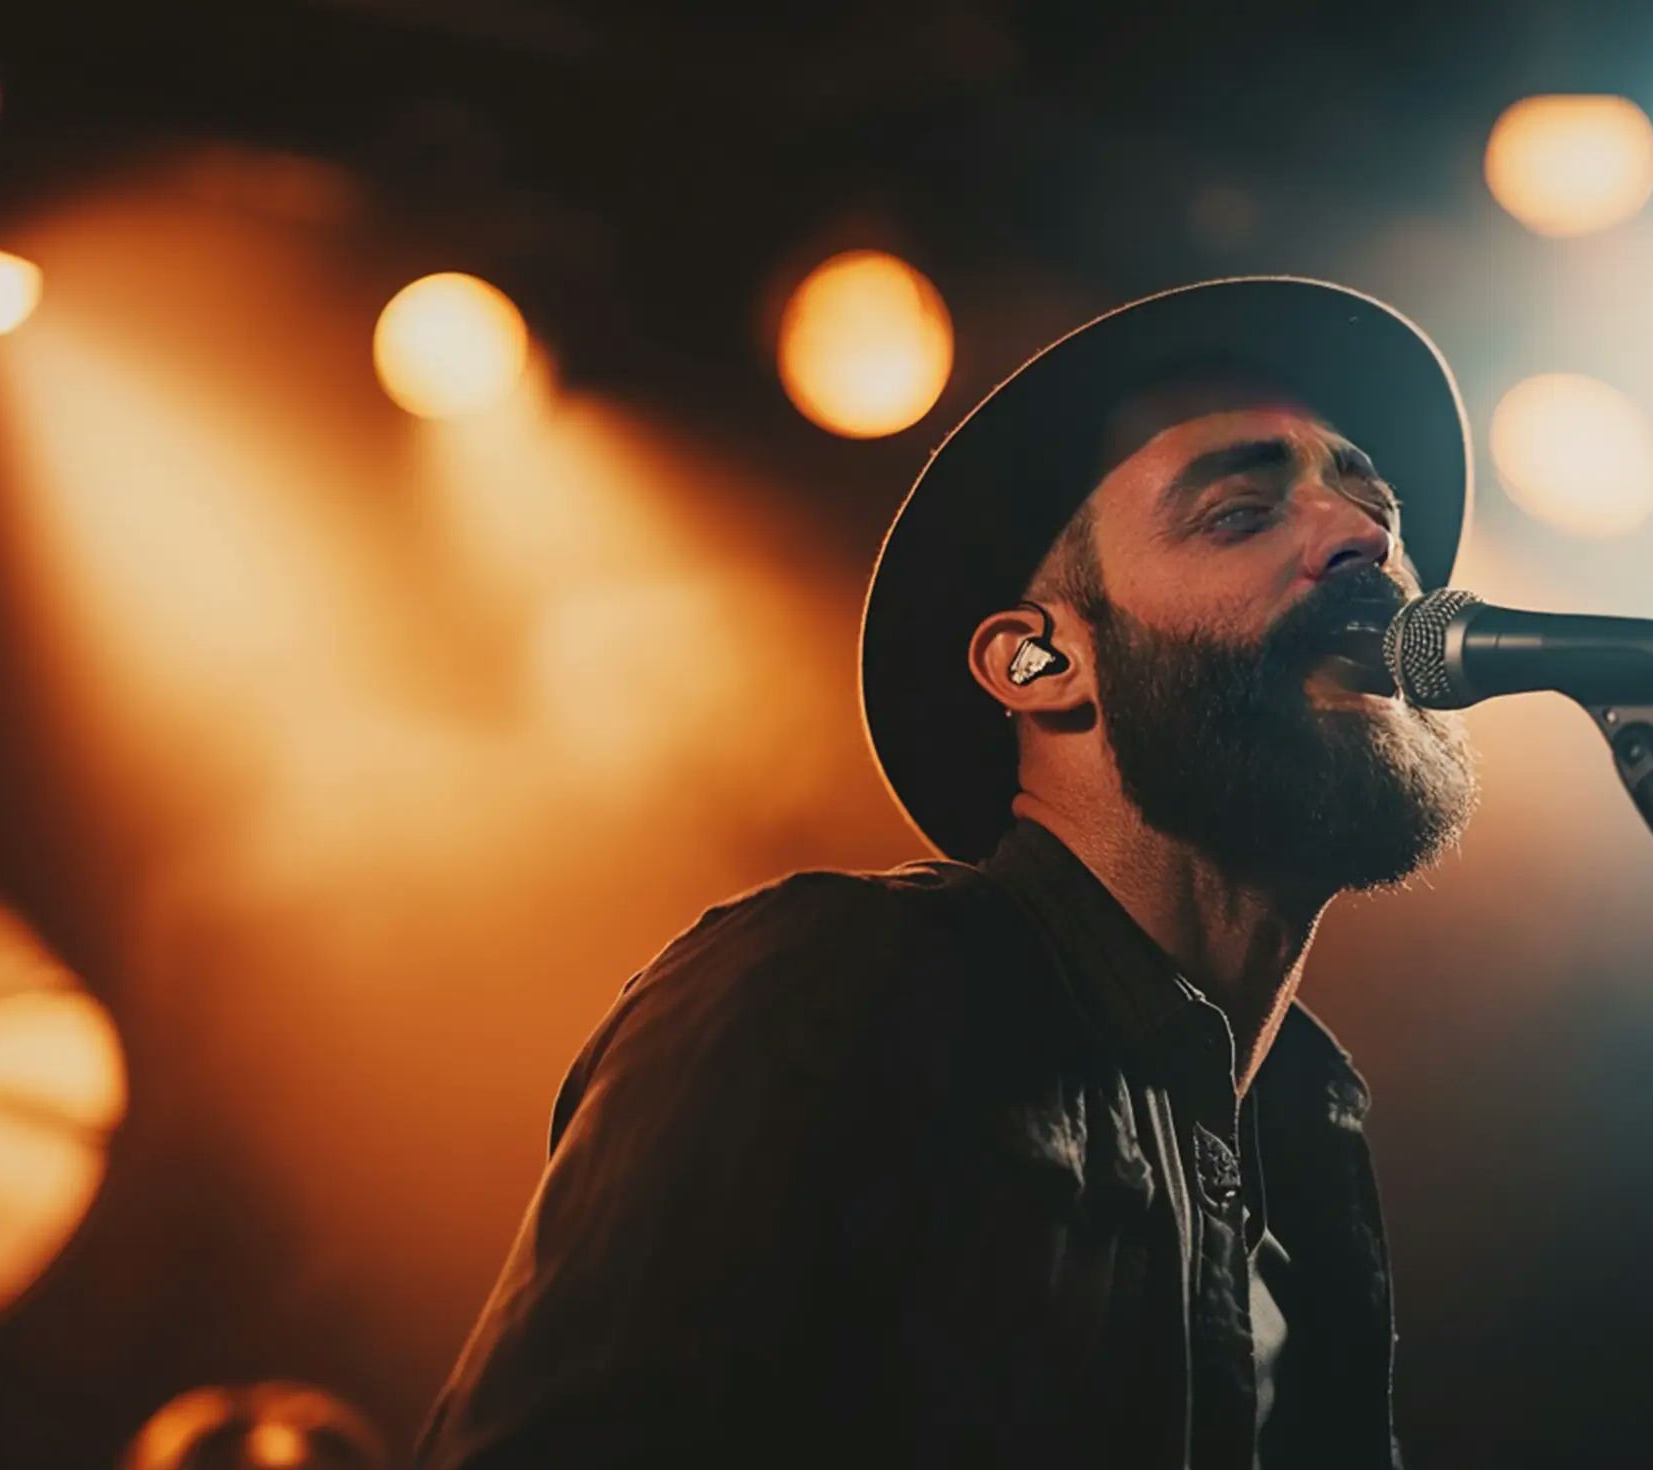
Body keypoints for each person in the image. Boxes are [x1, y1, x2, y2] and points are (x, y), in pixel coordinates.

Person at [418, 277, 1480, 1469]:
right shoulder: (836, 987)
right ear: (1039, 663)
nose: (1368, 540)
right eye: (1238, 513)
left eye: (1373, 507)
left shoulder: (1305, 1145)